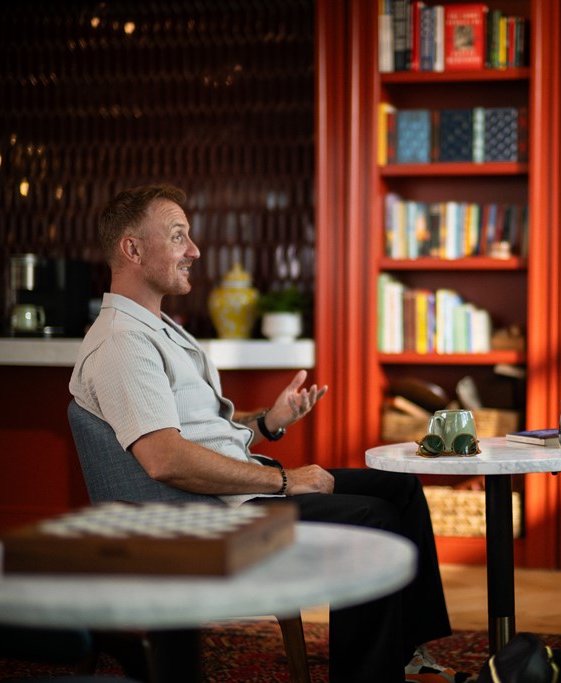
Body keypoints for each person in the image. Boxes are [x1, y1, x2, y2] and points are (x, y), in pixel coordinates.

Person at [69, 184, 463, 683]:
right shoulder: (122, 343)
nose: (194, 250)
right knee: (374, 520)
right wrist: (285, 482)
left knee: (399, 489)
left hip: (234, 497)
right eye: (178, 237)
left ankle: (405, 656)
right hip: (210, 517)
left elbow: (200, 434)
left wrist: (267, 422)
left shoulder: (155, 329)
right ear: (132, 249)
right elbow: (164, 458)